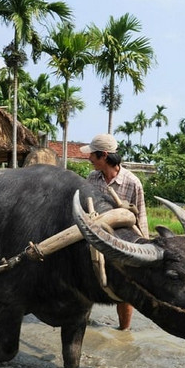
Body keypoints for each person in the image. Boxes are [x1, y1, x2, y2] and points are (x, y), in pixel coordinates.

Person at [81, 133, 149, 330]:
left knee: (125, 292)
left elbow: (141, 218)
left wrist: (142, 251)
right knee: (88, 284)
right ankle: (82, 322)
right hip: (95, 240)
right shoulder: (92, 179)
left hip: (122, 243)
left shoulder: (132, 182)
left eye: (92, 155)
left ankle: (124, 331)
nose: (89, 158)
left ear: (103, 156)